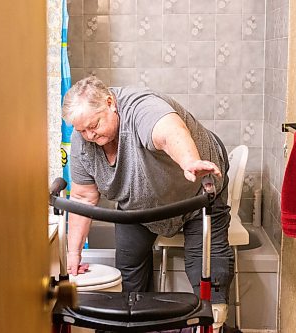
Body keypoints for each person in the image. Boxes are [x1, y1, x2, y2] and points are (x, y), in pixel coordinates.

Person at [62, 76, 235, 333]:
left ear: (110, 103)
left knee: (205, 270)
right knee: (129, 271)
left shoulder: (141, 108)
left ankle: (214, 325)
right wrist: (73, 254)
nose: (89, 135)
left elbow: (169, 131)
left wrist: (189, 163)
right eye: (81, 130)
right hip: (139, 206)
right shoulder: (84, 141)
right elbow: (82, 198)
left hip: (196, 191)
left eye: (94, 125)